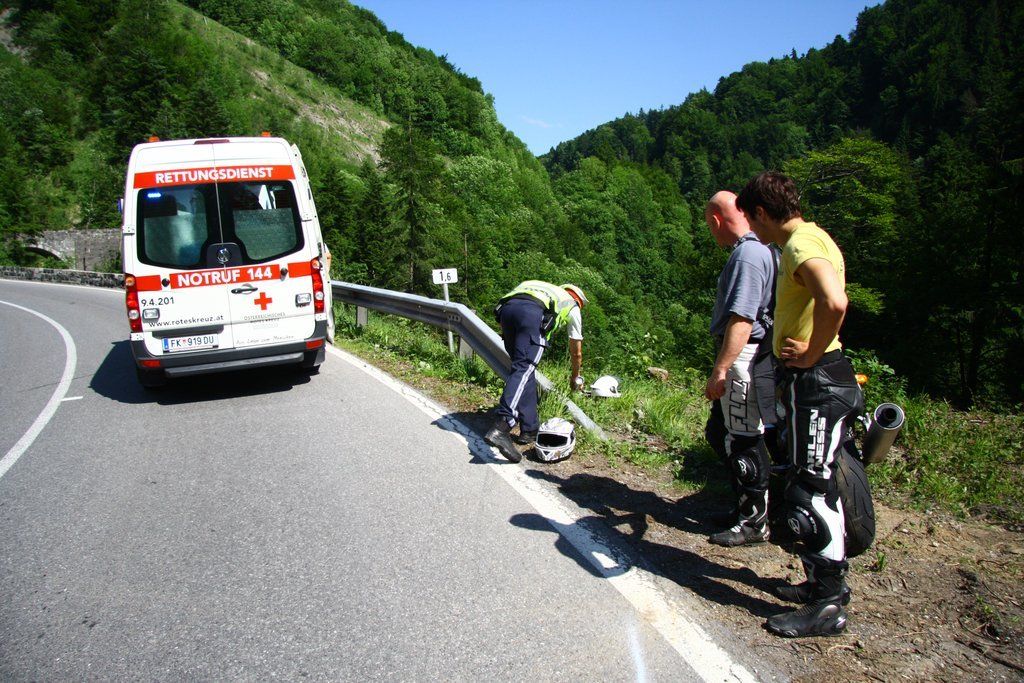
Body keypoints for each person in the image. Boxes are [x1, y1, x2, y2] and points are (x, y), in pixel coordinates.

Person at [736, 171, 862, 638]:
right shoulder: (816, 236)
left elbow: (835, 301)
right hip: (819, 380)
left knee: (811, 490)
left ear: (762, 212)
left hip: (818, 380)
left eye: (753, 221)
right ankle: (819, 585)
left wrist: (810, 352)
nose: (753, 231)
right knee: (809, 482)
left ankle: (827, 605)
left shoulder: (798, 245)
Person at [702, 191, 779, 548]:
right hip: (750, 354)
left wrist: (721, 368)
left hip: (742, 356)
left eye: (710, 226)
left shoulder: (747, 255)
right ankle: (745, 506)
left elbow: (742, 318)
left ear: (716, 220)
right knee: (720, 431)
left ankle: (754, 522)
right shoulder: (763, 249)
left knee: (742, 438)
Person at [485, 281, 588, 463]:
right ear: (579, 300)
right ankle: (502, 426)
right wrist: (575, 377)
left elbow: (510, 303)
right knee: (524, 368)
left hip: (506, 312)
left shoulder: (540, 288)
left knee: (524, 371)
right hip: (531, 316)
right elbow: (576, 351)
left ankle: (529, 429)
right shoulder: (572, 305)